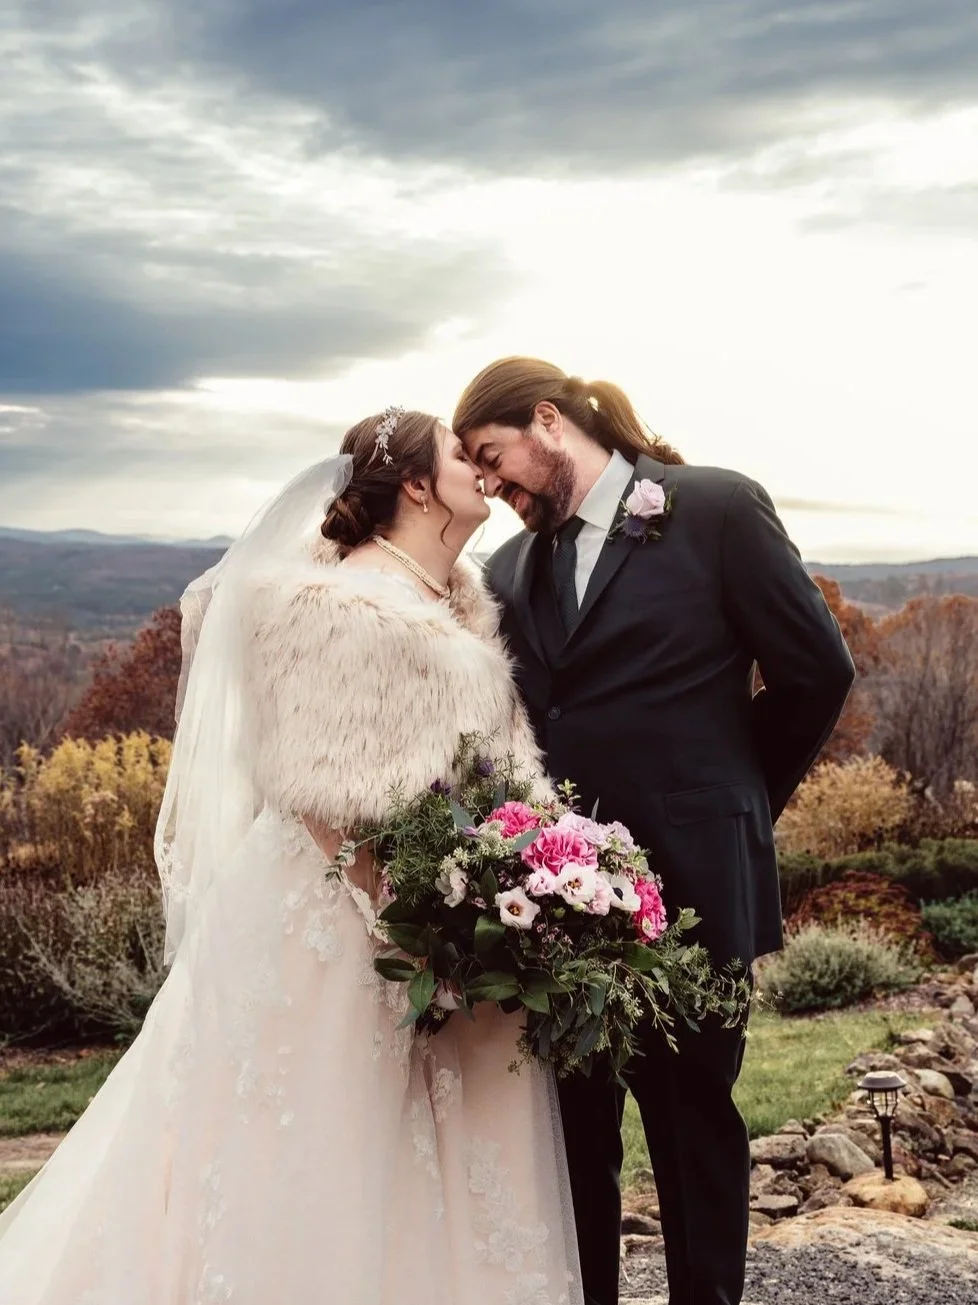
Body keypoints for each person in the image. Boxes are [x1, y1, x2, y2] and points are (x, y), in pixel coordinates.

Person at [0, 408, 585, 1305]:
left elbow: (496, 778)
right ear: (419, 486)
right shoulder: (329, 607)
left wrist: (550, 877)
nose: (480, 468)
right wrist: (424, 934)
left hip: (458, 922)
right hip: (345, 933)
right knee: (319, 1155)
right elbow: (324, 804)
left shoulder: (459, 600)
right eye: (459, 457)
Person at [454, 359, 856, 1305]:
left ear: (547, 420)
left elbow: (816, 671)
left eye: (493, 457)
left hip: (695, 891)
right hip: (557, 913)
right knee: (572, 1148)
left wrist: (733, 801)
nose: (494, 486)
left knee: (692, 1132)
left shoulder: (714, 509)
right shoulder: (509, 570)